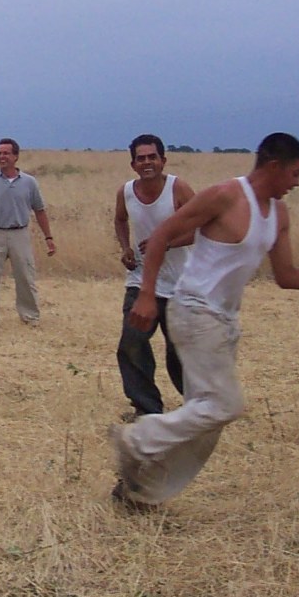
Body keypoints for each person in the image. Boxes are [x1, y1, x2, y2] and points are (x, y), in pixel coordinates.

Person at [108, 132, 299, 509]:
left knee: (207, 421)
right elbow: (160, 237)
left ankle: (140, 490)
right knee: (225, 405)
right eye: (296, 173)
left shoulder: (278, 214)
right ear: (274, 166)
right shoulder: (225, 196)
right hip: (193, 309)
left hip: (224, 322)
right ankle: (137, 440)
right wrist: (149, 295)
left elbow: (287, 276)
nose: (298, 182)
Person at [114, 134, 193, 417]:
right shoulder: (125, 192)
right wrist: (126, 247)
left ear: (163, 160)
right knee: (132, 344)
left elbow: (200, 229)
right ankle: (146, 410)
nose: (147, 163)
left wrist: (166, 241)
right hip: (140, 281)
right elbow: (120, 219)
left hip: (178, 286)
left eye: (152, 157)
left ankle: (199, 408)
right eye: (141, 158)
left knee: (180, 352)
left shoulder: (178, 189)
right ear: (133, 164)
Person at [0, 138, 56, 325]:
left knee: (26, 276)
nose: (2, 157)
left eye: (6, 153)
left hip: (20, 234)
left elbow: (39, 211)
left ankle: (30, 317)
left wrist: (48, 237)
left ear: (16, 156)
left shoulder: (29, 182)